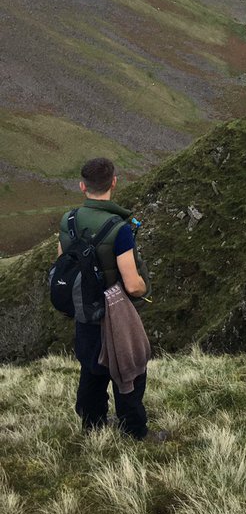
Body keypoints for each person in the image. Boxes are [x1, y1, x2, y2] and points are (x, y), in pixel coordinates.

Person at [56, 157, 153, 439]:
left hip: (84, 309)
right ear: (113, 182)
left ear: (82, 186)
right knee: (130, 371)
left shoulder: (69, 220)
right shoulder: (119, 228)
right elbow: (132, 284)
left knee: (91, 367)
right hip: (115, 313)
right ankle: (134, 430)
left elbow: (62, 263)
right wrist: (144, 288)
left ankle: (93, 425)